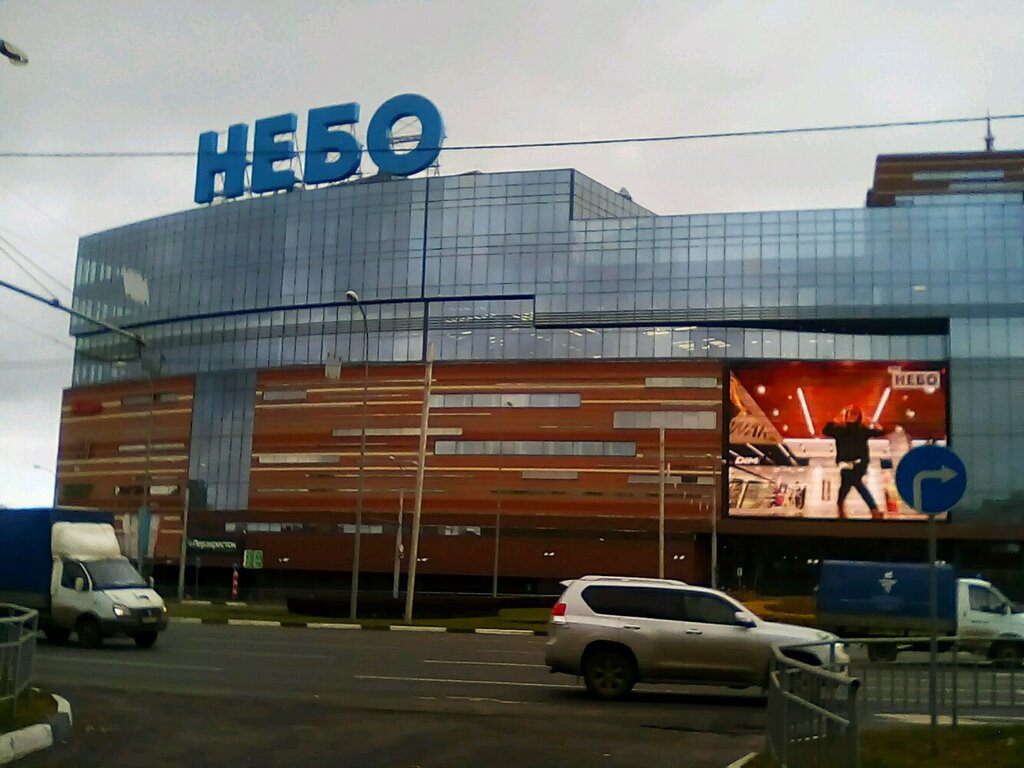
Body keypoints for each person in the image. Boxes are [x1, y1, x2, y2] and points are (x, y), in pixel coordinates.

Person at [822, 405, 886, 520]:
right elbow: (881, 431)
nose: (852, 417)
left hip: (854, 462)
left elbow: (826, 430)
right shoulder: (851, 429)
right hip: (853, 462)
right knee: (855, 483)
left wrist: (835, 420)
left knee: (848, 484)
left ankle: (841, 505)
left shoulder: (849, 429)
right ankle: (873, 509)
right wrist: (873, 423)